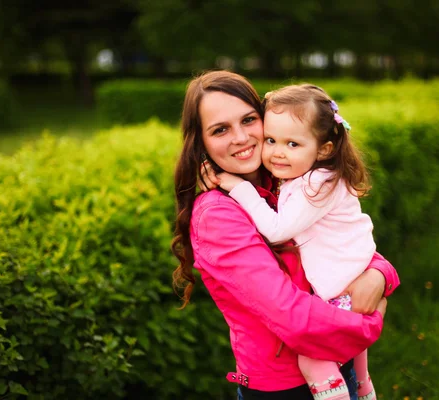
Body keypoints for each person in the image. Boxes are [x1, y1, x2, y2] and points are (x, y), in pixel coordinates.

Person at [171, 70, 400, 400]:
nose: (240, 137)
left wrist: (380, 273)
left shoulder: (285, 180)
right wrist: (371, 323)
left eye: (249, 120)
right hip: (286, 386)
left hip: (334, 360)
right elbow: (292, 317)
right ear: (201, 142)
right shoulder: (218, 215)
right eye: (220, 129)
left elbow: (345, 242)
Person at [214, 84, 379, 400]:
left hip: (343, 287)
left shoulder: (315, 185)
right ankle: (363, 385)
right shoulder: (312, 174)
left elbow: (276, 229)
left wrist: (239, 188)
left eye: (292, 143)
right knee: (349, 347)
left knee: (312, 358)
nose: (277, 152)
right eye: (271, 140)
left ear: (324, 149)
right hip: (353, 274)